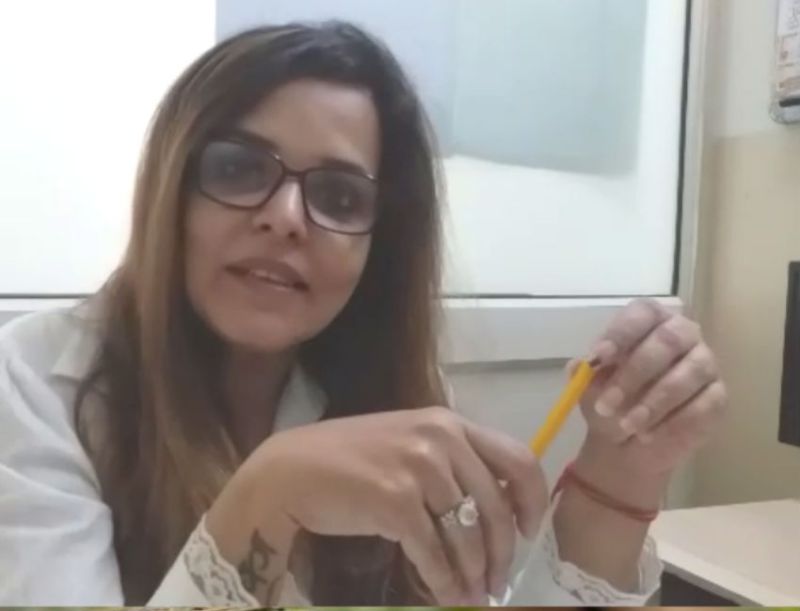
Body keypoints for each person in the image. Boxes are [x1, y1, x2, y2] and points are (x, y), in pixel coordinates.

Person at [0, 22, 727, 606]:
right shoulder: (30, 382)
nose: (287, 217)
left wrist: (620, 476)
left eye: (340, 197)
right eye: (239, 168)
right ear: (170, 188)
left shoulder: (388, 390)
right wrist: (270, 494)